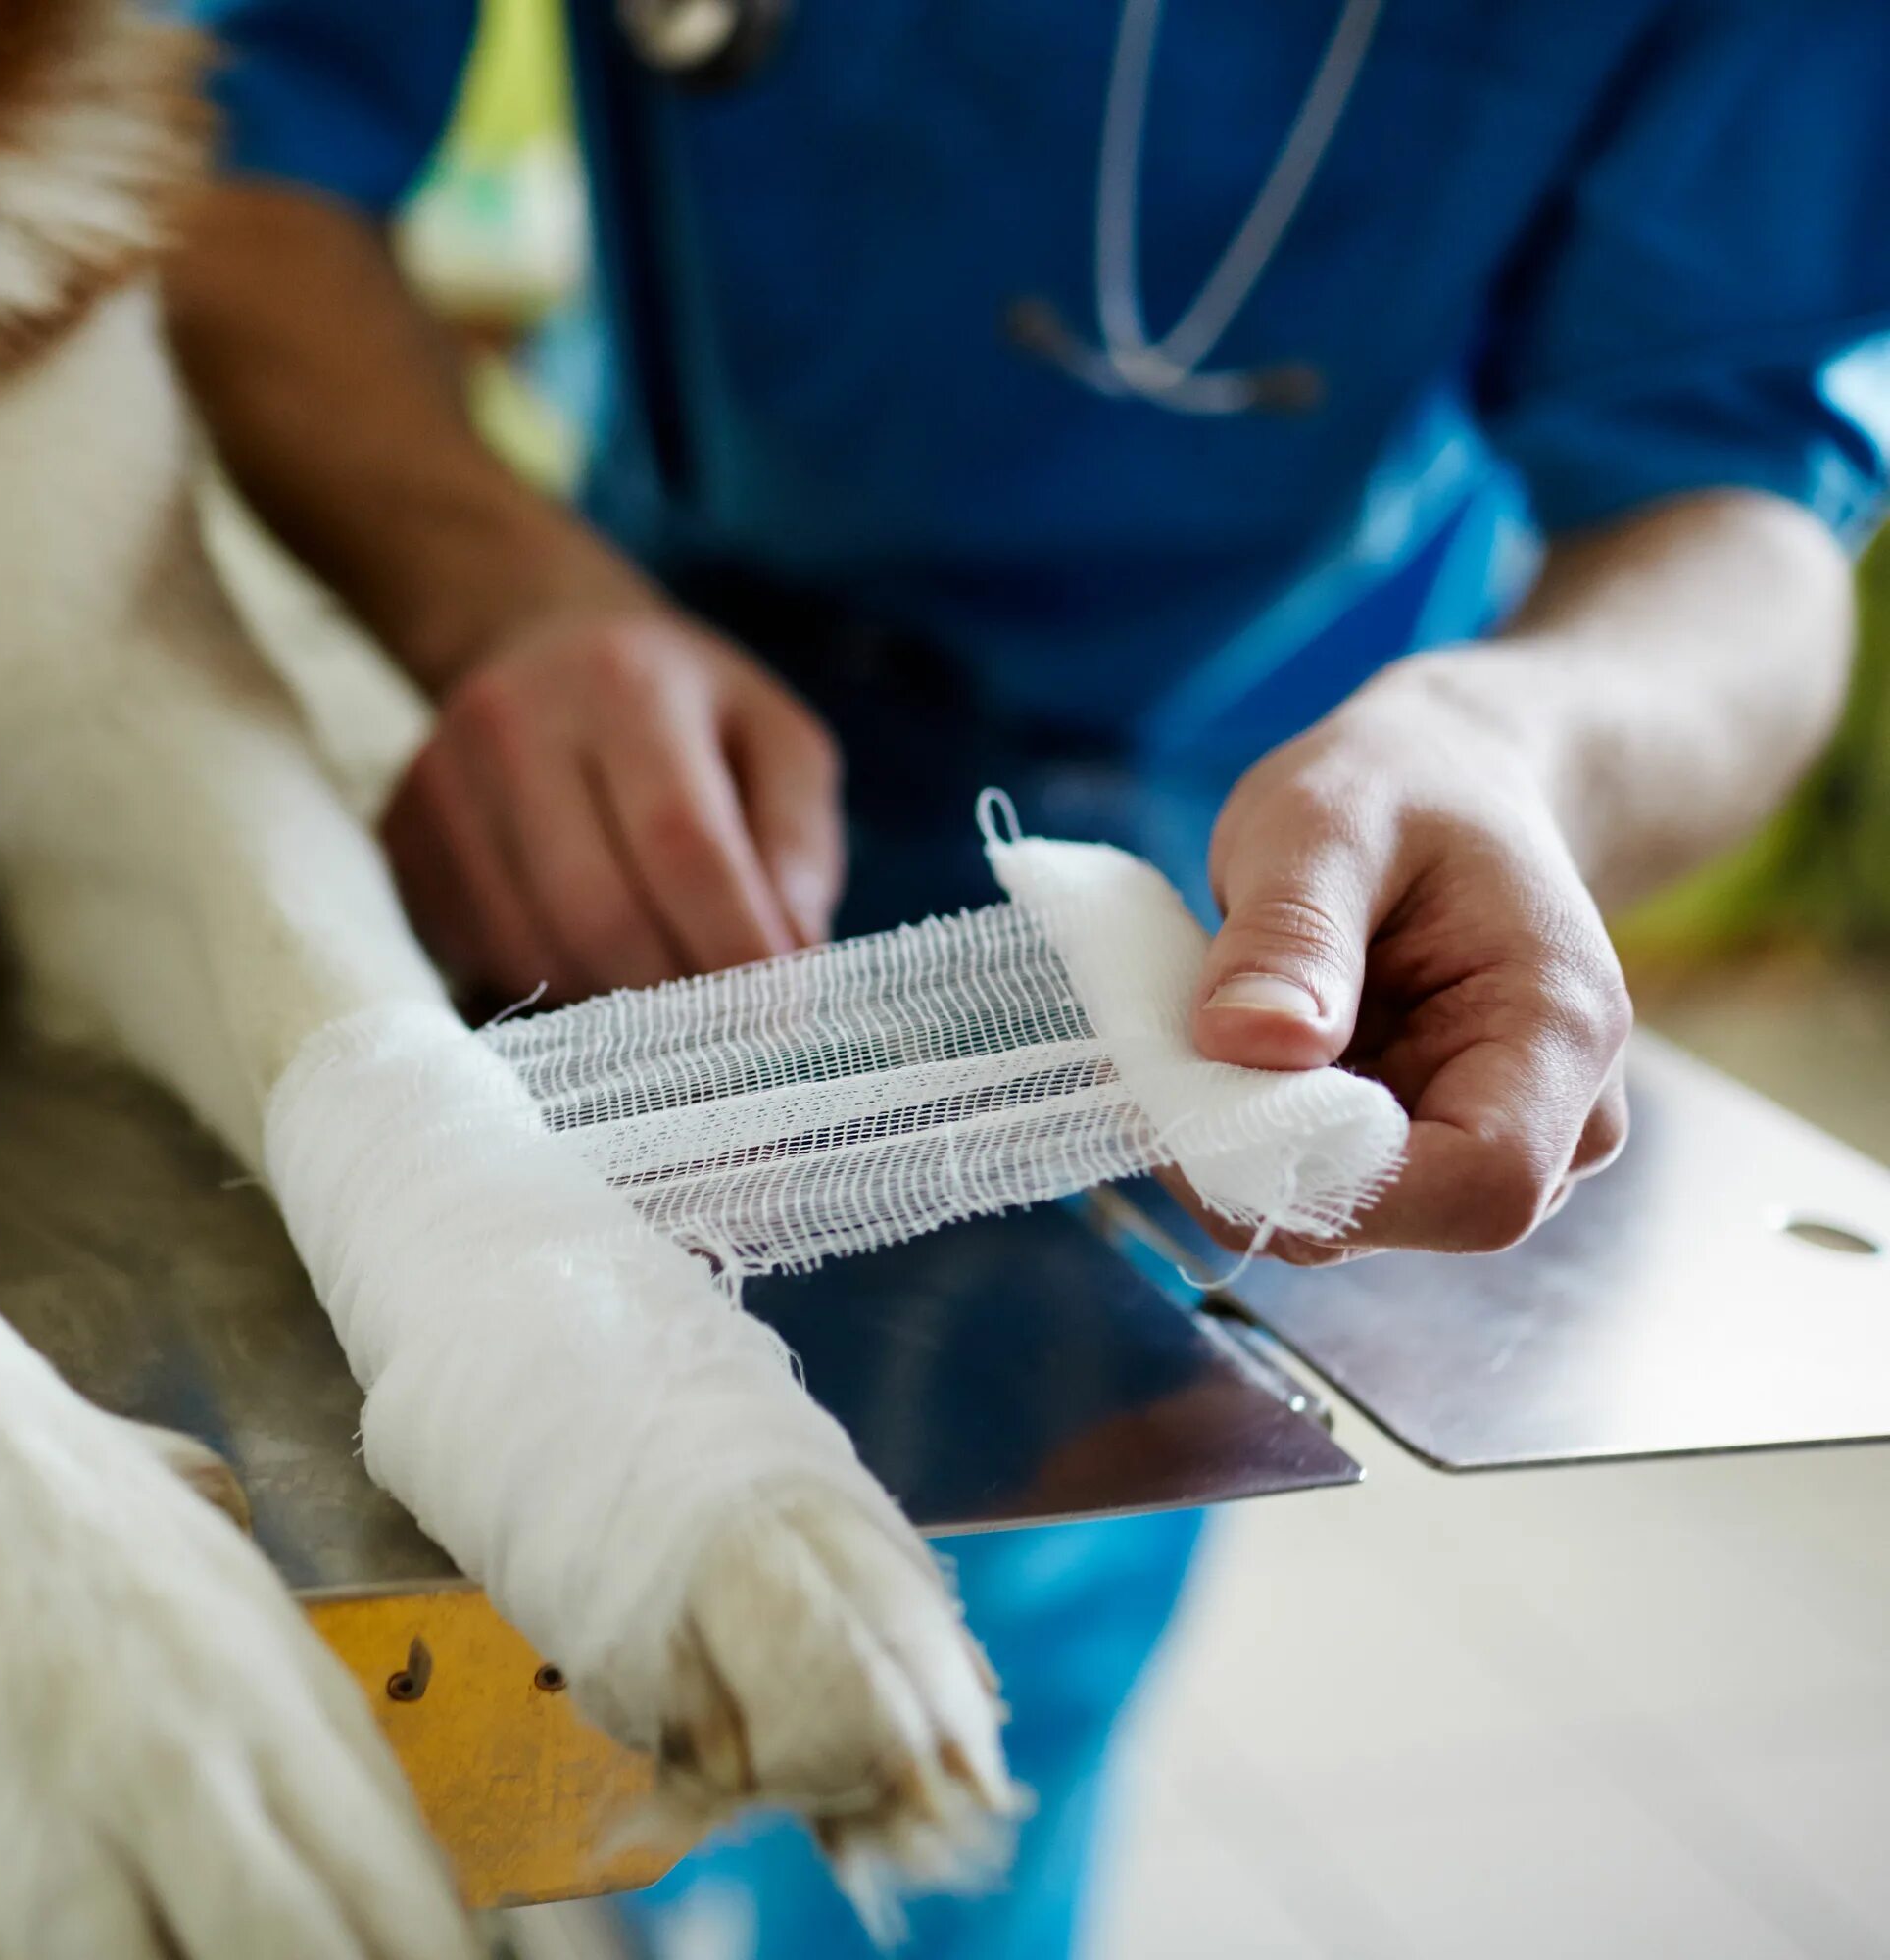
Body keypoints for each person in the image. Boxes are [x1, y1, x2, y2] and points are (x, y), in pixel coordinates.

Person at [164, 2, 1890, 1953]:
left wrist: (1533, 744)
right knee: (512, 1714)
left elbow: (1741, 495)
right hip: (641, 745)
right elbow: (233, 144)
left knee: (970, 1733)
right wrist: (497, 592)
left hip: (1241, 890)